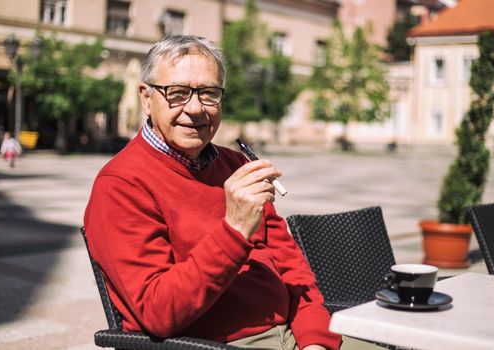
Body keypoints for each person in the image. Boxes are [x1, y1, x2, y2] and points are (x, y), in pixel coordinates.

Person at [84, 35, 341, 350]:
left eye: (209, 93)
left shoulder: (236, 165)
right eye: (177, 93)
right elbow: (158, 312)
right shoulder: (121, 184)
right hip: (212, 344)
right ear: (146, 98)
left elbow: (292, 268)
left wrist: (315, 339)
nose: (195, 109)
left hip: (297, 334)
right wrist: (234, 228)